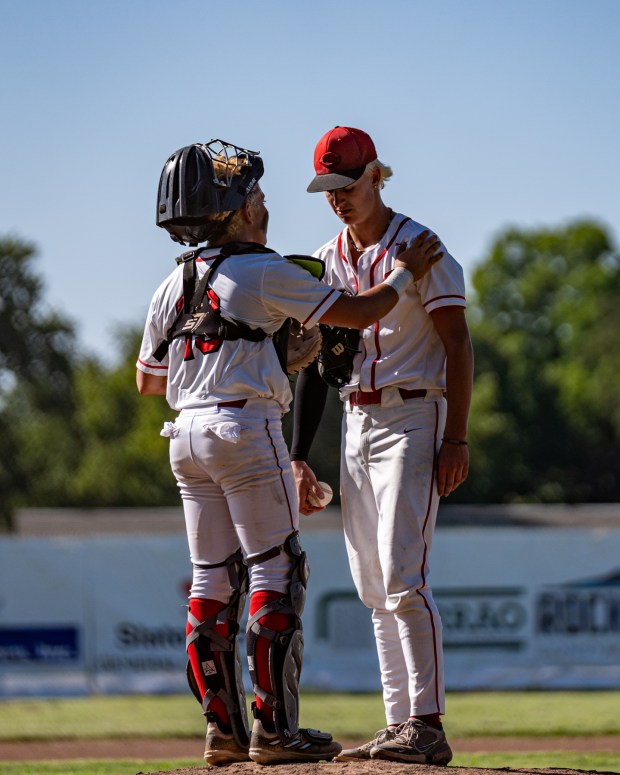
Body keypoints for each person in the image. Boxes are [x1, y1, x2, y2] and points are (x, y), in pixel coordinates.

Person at [135, 138, 444, 766]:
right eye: (258, 196)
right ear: (241, 210)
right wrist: (407, 271)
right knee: (277, 570)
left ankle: (220, 731)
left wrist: (240, 357)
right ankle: (273, 732)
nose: (264, 203)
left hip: (184, 438)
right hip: (244, 431)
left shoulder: (174, 282)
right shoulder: (263, 268)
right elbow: (359, 313)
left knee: (208, 581)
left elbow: (148, 379)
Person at [290, 126, 474, 765]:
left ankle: (426, 723)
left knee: (402, 573)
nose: (337, 196)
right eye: (327, 187)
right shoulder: (329, 255)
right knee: (371, 584)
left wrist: (456, 436)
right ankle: (399, 723)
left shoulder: (420, 246)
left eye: (346, 182)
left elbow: (458, 342)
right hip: (355, 423)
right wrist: (299, 455)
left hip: (413, 416)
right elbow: (315, 364)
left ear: (375, 175)